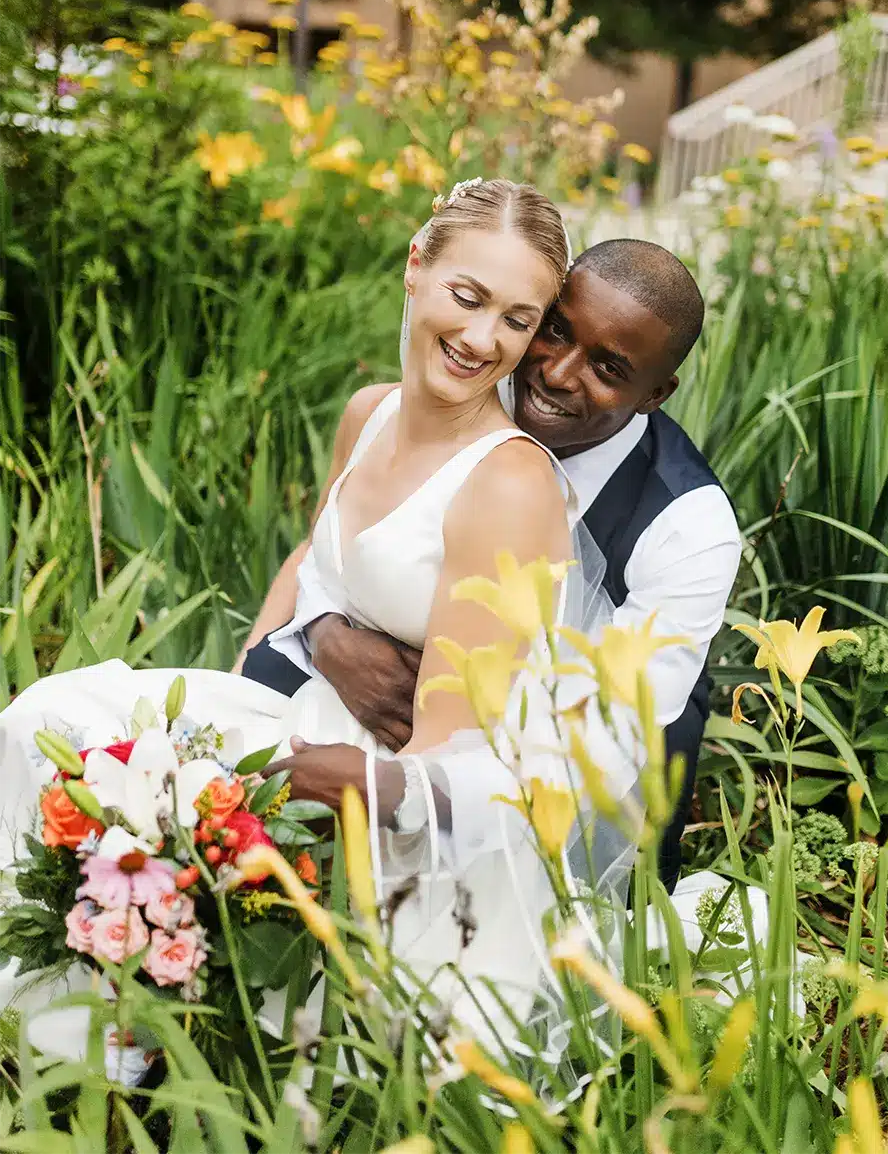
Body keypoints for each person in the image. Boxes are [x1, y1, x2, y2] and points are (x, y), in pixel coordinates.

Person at [0, 180, 654, 1044]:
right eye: (468, 297)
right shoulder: (370, 412)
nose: (481, 338)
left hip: (394, 805)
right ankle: (63, 1004)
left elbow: (448, 761)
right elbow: (313, 561)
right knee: (48, 717)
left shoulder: (505, 481)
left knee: (140, 792)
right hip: (298, 712)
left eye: (517, 320)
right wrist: (239, 687)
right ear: (416, 268)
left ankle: (116, 1033)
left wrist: (251, 798)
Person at [241, 238, 742, 892]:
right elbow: (344, 540)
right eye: (555, 331)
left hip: (569, 808)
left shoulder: (687, 527)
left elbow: (598, 744)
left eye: (608, 368)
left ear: (657, 394)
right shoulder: (473, 391)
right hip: (389, 725)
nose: (557, 374)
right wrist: (326, 632)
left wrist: (389, 787)